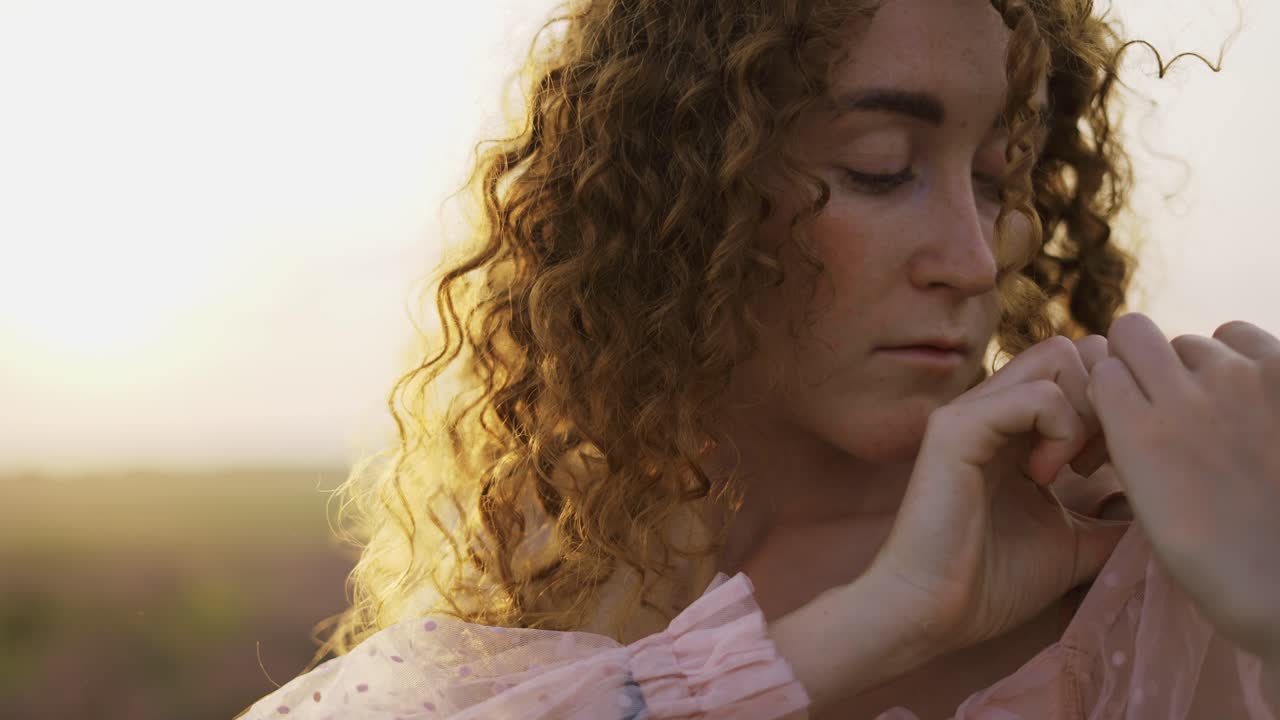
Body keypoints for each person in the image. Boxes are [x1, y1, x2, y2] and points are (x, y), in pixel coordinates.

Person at [236, 0, 1280, 717]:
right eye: (880, 170)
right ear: (687, 194)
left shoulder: (1138, 574)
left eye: (999, 179)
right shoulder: (571, 553)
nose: (971, 258)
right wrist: (865, 626)